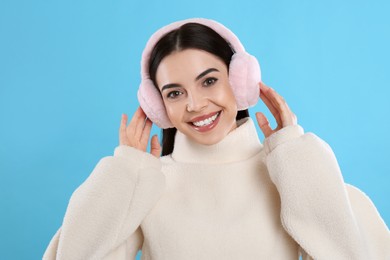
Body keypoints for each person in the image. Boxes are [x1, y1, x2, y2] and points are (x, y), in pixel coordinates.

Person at [43, 18, 389, 260]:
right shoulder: (147, 184)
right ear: (158, 106)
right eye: (175, 93)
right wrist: (124, 173)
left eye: (208, 81)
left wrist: (298, 157)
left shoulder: (289, 173)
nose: (195, 105)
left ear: (240, 80)